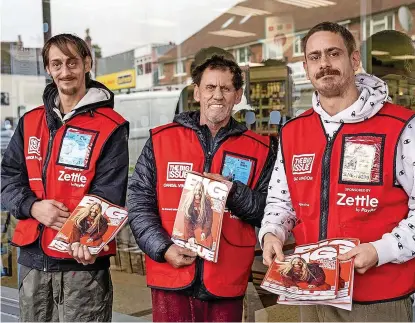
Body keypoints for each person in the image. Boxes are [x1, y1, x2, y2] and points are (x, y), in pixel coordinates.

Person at [259, 21, 415, 322]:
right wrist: (271, 234)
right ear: (306, 67)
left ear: (353, 60)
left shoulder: (402, 127)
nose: (324, 64)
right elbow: (282, 201)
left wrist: (381, 250)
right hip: (311, 292)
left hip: (378, 299)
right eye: (315, 57)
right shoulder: (293, 131)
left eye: (333, 53)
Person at [128, 46, 277, 322]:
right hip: (170, 275)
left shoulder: (261, 148)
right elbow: (137, 202)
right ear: (197, 92)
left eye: (226, 88)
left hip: (225, 279)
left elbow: (269, 210)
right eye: (209, 87)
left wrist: (233, 192)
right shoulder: (162, 140)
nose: (217, 95)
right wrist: (162, 248)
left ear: (238, 95)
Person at [1, 34, 129, 322]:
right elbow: (7, 179)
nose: (65, 71)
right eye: (56, 64)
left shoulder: (111, 126)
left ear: (87, 63)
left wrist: (86, 239)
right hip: (33, 259)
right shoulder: (30, 121)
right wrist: (33, 207)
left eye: (72, 62)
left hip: (81, 262)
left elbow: (109, 192)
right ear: (48, 69)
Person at [182, 180, 213, 247]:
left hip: (203, 232)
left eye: (200, 190)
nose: (197, 192)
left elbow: (209, 220)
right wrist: (191, 236)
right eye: (196, 190)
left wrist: (205, 232)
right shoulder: (189, 202)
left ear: (202, 191)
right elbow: (187, 222)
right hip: (191, 232)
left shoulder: (206, 202)